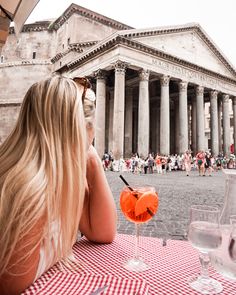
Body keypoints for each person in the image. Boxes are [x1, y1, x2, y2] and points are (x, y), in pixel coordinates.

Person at [0, 75, 117, 295]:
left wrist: (91, 158)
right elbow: (10, 286)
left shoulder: (62, 179)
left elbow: (103, 232)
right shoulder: (33, 193)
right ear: (75, 126)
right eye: (90, 120)